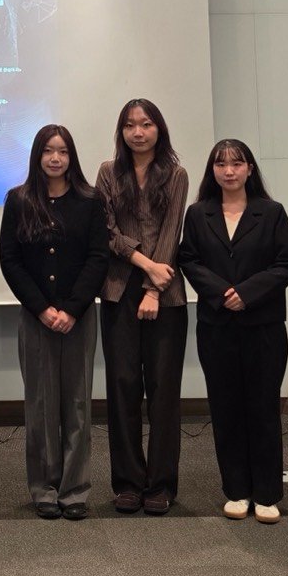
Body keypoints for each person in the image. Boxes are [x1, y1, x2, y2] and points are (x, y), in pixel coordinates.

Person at [179, 139, 288, 525]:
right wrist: (221, 293)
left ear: (249, 168)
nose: (229, 171)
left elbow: (287, 262)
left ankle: (267, 493)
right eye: (221, 164)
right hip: (216, 327)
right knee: (226, 408)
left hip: (263, 326)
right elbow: (188, 260)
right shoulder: (198, 213)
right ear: (212, 170)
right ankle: (236, 490)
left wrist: (246, 293)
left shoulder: (271, 212)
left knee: (263, 409)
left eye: (237, 163)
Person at [0, 124, 108, 520]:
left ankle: (74, 490)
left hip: (79, 317)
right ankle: (44, 488)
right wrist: (42, 308)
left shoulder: (90, 200)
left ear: (71, 156)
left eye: (62, 151)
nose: (56, 158)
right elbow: (10, 260)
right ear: (37, 155)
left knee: (77, 404)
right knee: (41, 405)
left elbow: (98, 257)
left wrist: (73, 308)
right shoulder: (19, 200)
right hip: (36, 318)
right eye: (48, 150)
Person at [94, 98, 189, 515]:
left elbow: (171, 232)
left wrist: (153, 287)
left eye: (146, 124)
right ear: (122, 131)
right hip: (118, 290)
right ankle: (129, 482)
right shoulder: (107, 172)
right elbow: (106, 231)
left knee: (164, 391)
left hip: (166, 294)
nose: (138, 132)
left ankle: (161, 483)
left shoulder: (176, 174)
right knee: (123, 388)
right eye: (130, 125)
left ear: (158, 129)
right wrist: (144, 264)